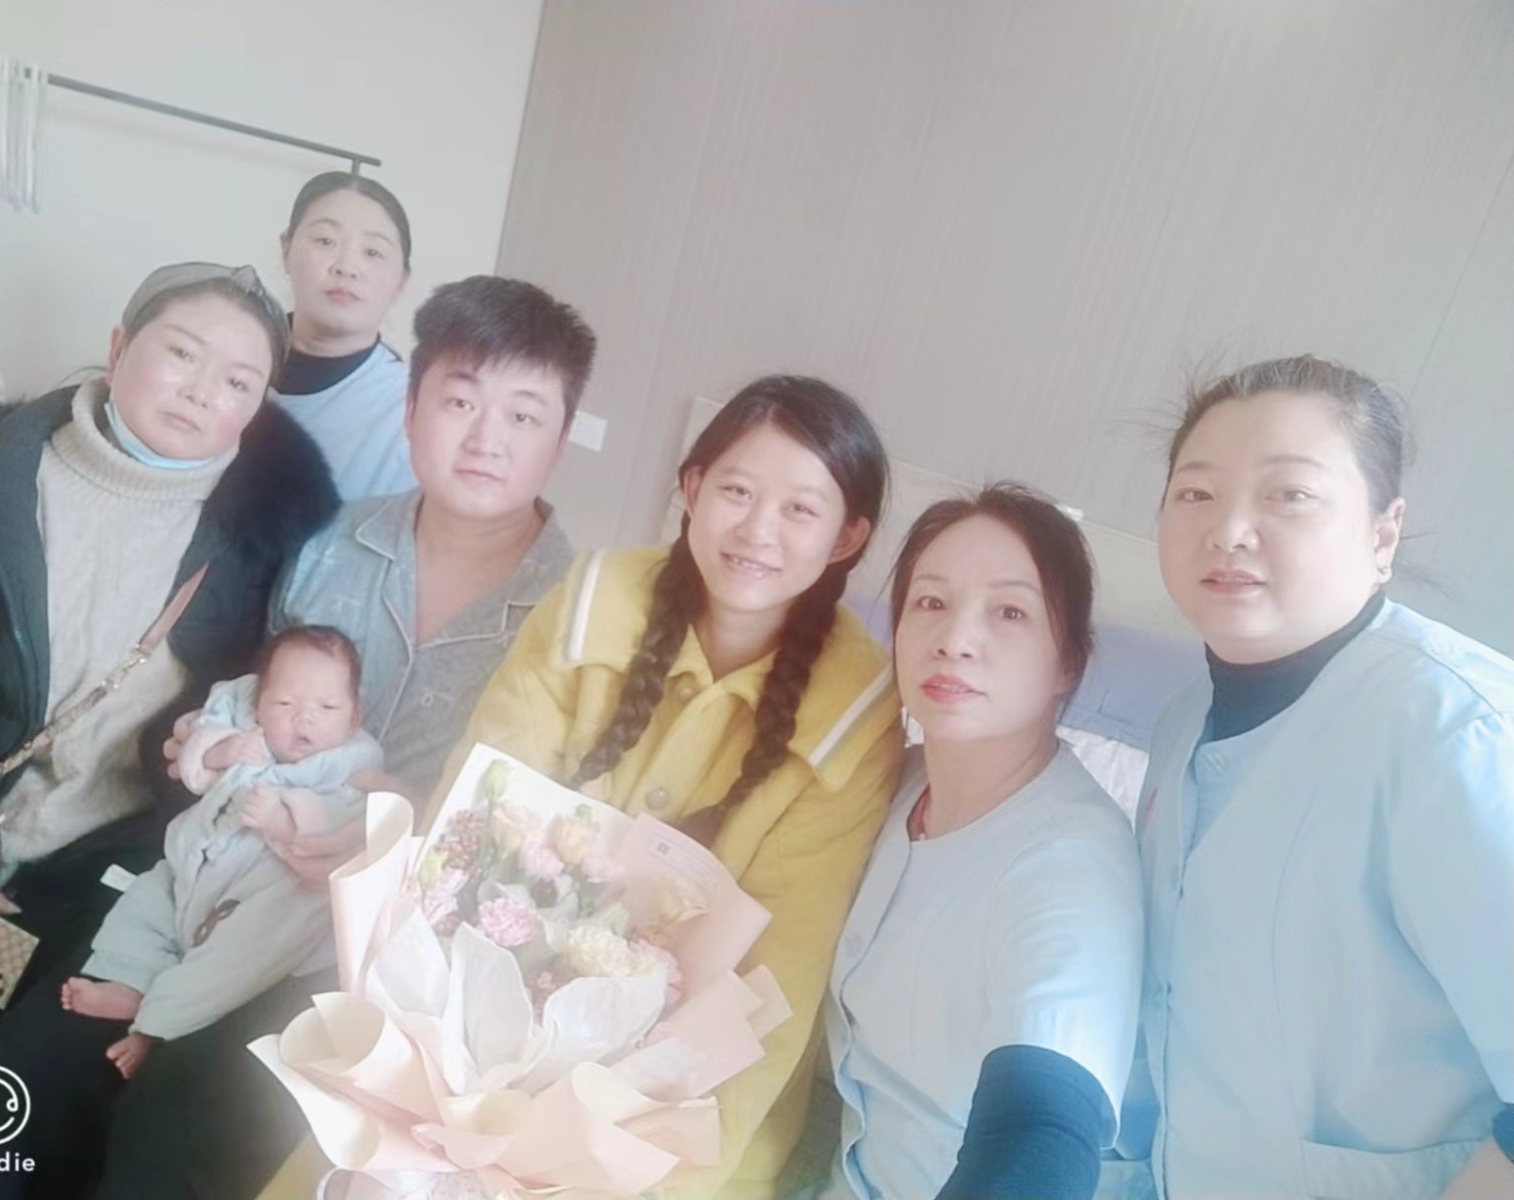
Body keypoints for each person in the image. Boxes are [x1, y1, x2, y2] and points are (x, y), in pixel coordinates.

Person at [325, 375, 904, 1200]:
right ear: (691, 489)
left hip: (681, 1108)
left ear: (847, 536)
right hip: (468, 1040)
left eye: (800, 510)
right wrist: (419, 1060)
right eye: (736, 491)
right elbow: (469, 830)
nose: (757, 531)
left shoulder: (856, 718)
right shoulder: (592, 604)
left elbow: (777, 982)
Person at [95, 275, 597, 1200]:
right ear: (410, 410)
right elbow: (248, 701)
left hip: (394, 964)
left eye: (525, 415)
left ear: (561, 440)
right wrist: (203, 743)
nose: (486, 439)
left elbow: (547, 845)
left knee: (184, 1130)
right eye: (459, 401)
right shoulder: (327, 543)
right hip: (226, 875)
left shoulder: (584, 620)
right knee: (50, 1075)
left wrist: (402, 837)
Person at [0, 262, 337, 1185]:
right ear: (117, 350)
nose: (203, 391)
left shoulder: (260, 544)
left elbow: (215, 740)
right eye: (181, 353)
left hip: (93, 865)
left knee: (18, 1096)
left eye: (239, 382)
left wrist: (199, 754)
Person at [1135, 355, 1514, 1197]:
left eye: (1289, 494)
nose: (1228, 530)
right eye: (1195, 493)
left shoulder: (1458, 737)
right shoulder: (1183, 723)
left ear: (1383, 535)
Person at [819, 486, 1144, 1200]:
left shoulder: (1071, 866)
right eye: (930, 602)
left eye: (1010, 612)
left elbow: (1044, 1130)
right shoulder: (890, 783)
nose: (955, 639)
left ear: (1069, 662)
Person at [62, 625, 381, 1080]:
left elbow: (344, 827)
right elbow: (195, 767)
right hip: (196, 868)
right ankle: (130, 981)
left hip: (266, 895)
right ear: (259, 705)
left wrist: (282, 819)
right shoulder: (245, 733)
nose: (305, 719)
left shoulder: (350, 765)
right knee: (147, 901)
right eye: (284, 704)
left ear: (354, 717)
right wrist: (221, 751)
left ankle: (157, 1024)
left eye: (327, 707)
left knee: (229, 963)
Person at [273, 172, 414, 501]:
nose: (346, 267)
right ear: (286, 250)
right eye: (325, 241)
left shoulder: (411, 414)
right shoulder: (225, 360)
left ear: (401, 281)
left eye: (373, 252)